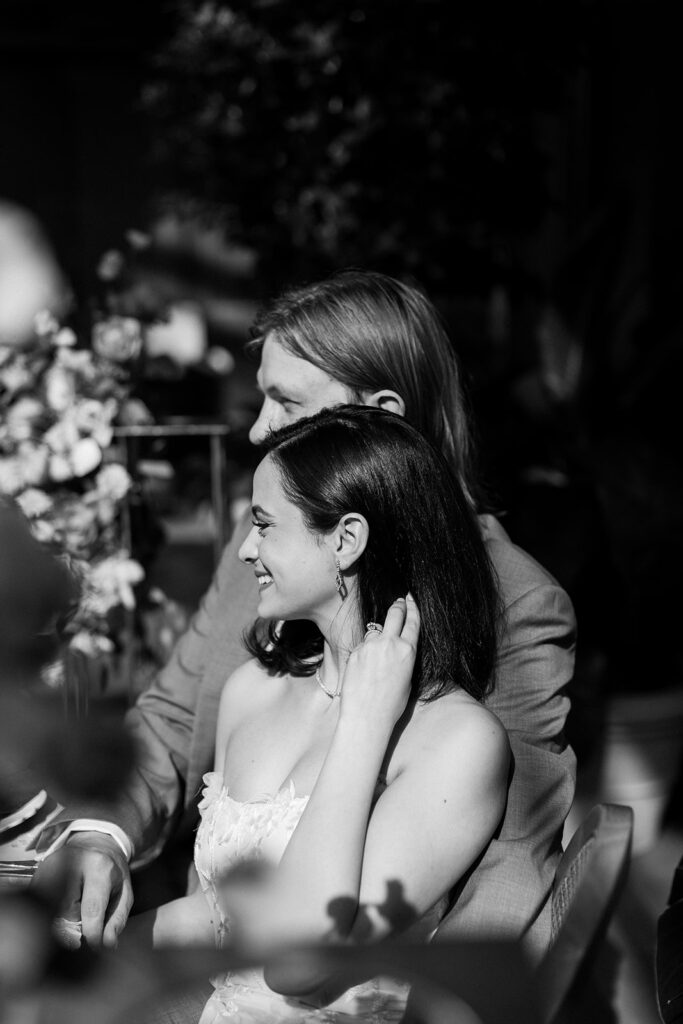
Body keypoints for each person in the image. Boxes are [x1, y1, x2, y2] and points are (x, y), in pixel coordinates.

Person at [34, 270, 576, 967]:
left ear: (383, 414)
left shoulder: (515, 600)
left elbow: (512, 865)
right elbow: (171, 717)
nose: (257, 427)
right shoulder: (262, 549)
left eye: (284, 400)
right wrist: (99, 836)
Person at [122, 406, 510, 1023]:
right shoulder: (253, 690)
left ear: (346, 540)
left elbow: (299, 964)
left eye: (264, 525)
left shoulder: (456, 741)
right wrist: (78, 949)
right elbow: (218, 915)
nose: (246, 550)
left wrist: (363, 722)